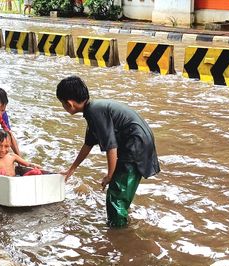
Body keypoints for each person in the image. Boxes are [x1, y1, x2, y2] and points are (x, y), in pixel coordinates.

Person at [56, 76, 160, 227]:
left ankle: (119, 235)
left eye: (62, 103)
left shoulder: (94, 112)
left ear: (69, 103)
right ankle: (122, 227)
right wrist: (71, 169)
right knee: (119, 193)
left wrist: (110, 175)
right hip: (137, 142)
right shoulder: (93, 110)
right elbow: (88, 145)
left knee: (116, 197)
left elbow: (111, 147)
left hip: (135, 145)